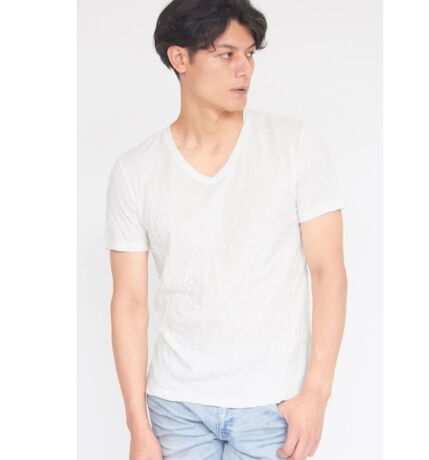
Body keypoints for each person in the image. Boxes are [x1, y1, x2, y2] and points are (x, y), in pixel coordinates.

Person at [105, 0, 348, 459]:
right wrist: (138, 425)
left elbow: (328, 272)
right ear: (180, 58)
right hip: (175, 407)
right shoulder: (135, 171)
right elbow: (130, 303)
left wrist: (316, 395)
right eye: (226, 54)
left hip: (272, 406)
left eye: (250, 54)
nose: (245, 69)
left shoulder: (294, 145)